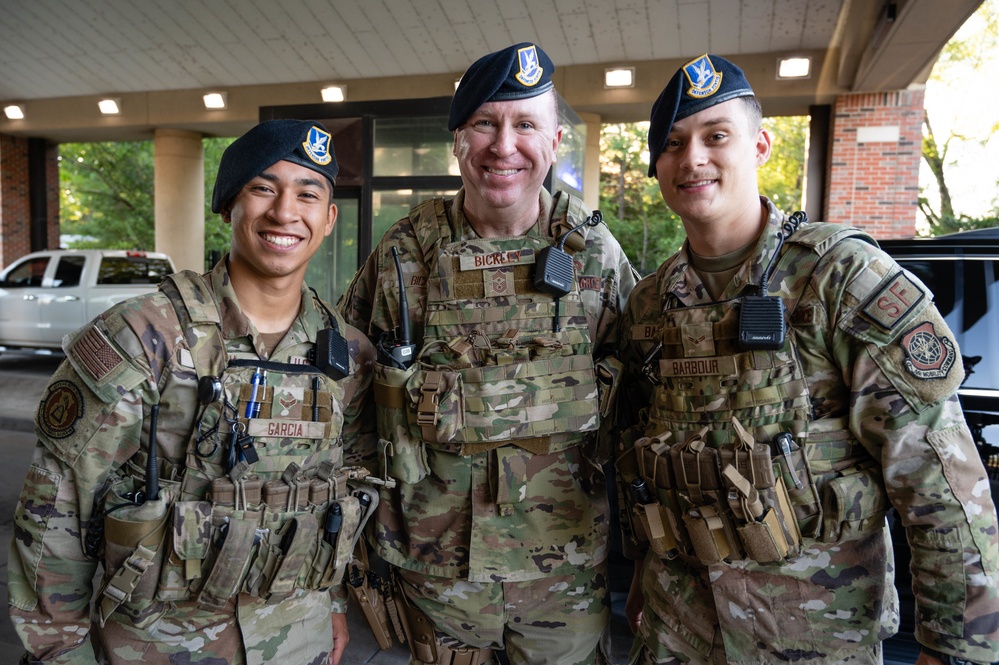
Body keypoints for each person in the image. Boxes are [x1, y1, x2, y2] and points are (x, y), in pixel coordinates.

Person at [613, 54, 999, 665]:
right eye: (674, 144)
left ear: (761, 145)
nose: (693, 159)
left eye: (717, 136)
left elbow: (939, 479)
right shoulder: (649, 306)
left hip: (815, 640)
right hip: (676, 634)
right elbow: (646, 467)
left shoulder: (842, 281)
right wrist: (639, 578)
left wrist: (956, 649)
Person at [8, 119, 378, 665]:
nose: (284, 212)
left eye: (308, 193)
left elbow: (335, 496)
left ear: (329, 220)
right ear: (228, 205)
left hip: (297, 638)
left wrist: (334, 603)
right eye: (263, 187)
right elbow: (55, 508)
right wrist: (60, 652)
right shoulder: (143, 337)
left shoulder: (346, 353)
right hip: (159, 645)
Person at [338, 42, 638, 664]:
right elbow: (348, 404)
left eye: (525, 124)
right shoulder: (404, 252)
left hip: (564, 572)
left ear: (555, 142)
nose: (504, 146)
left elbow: (641, 405)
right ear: (457, 140)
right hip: (433, 574)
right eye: (484, 123)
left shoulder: (596, 255)